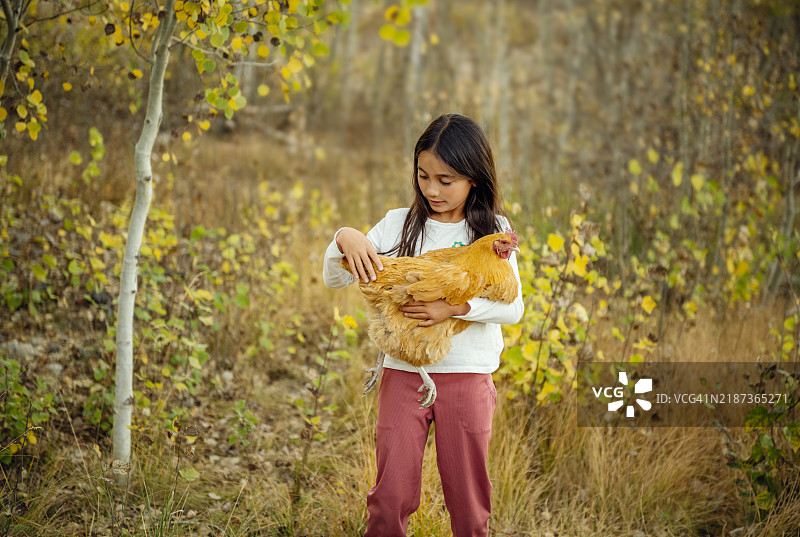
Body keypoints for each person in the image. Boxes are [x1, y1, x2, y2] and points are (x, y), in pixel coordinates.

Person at [322, 113, 524, 537]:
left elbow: (513, 307)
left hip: (468, 378)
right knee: (390, 494)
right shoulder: (397, 224)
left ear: (474, 178)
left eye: (446, 180)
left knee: (468, 501)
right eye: (423, 175)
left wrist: (454, 309)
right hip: (403, 374)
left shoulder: (492, 230)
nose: (432, 189)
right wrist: (345, 236)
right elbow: (335, 276)